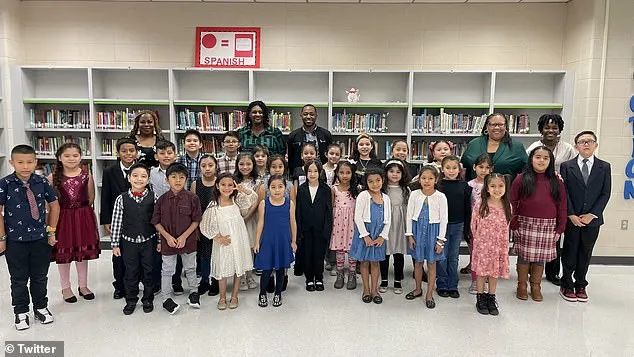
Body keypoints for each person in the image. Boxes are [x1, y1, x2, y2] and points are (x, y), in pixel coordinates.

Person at [0, 145, 60, 330]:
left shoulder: (41, 181)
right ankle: (21, 311)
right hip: (15, 240)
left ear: (35, 162)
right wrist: (2, 238)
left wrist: (51, 231)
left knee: (40, 276)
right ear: (12, 163)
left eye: (29, 162)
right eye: (20, 162)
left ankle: (41, 307)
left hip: (40, 238)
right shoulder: (5, 183)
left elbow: (55, 206)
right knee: (18, 278)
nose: (25, 166)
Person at [559, 131, 611, 303]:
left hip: (593, 220)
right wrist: (571, 214)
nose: (586, 144)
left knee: (585, 252)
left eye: (590, 141)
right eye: (582, 142)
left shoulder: (604, 167)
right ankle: (567, 283)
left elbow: (605, 193)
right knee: (570, 251)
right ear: (576, 147)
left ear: (596, 145)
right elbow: (564, 193)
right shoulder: (567, 166)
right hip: (572, 218)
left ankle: (581, 284)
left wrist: (592, 214)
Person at [511, 146, 567, 302]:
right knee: (523, 256)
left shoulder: (557, 181)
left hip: (548, 225)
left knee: (539, 258)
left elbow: (562, 205)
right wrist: (514, 224)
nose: (541, 160)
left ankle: (536, 286)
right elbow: (512, 202)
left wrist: (560, 227)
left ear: (550, 161)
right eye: (538, 157)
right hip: (524, 223)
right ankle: (521, 285)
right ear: (531, 159)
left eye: (545, 158)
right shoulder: (521, 179)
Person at [525, 114, 576, 286]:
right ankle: (531, 272)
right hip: (537, 193)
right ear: (541, 129)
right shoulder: (534, 147)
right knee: (535, 235)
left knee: (554, 235)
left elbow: (573, 171)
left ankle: (553, 272)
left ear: (560, 129)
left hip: (558, 192)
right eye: (547, 127)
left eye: (554, 127)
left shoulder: (568, 149)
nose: (551, 131)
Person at [49, 143, 100, 304]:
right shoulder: (52, 178)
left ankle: (83, 285)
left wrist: (79, 210)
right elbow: (49, 203)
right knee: (64, 253)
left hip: (83, 217)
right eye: (67, 156)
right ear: (59, 158)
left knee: (81, 253)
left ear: (81, 157)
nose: (71, 159)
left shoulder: (87, 176)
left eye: (75, 156)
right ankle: (66, 287)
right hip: (62, 218)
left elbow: (91, 198)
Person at [199, 173, 258, 310]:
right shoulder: (214, 205)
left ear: (234, 186)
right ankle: (222, 296)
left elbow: (253, 198)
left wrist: (242, 189)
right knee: (223, 270)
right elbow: (204, 226)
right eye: (223, 185)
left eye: (230, 185)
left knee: (239, 268)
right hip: (224, 243)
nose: (227, 188)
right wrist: (217, 237)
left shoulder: (237, 200)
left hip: (238, 239)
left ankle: (235, 296)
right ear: (217, 186)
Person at [152, 163, 203, 314]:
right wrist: (166, 237)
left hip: (188, 241)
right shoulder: (161, 200)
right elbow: (156, 221)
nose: (178, 180)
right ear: (167, 180)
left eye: (181, 177)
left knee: (190, 268)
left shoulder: (193, 198)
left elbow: (196, 220)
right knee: (167, 270)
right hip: (168, 242)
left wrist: (184, 236)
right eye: (173, 177)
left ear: (186, 180)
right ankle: (166, 298)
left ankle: (194, 293)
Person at [110, 163, 159, 315]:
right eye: (135, 176)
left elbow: (157, 222)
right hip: (128, 241)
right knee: (130, 271)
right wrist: (115, 244)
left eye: (143, 176)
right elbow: (116, 222)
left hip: (148, 240)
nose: (139, 179)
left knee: (149, 270)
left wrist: (159, 241)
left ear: (148, 179)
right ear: (129, 178)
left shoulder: (153, 197)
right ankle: (131, 299)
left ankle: (148, 299)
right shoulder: (121, 199)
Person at [405, 166, 448, 309]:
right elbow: (409, 215)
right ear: (419, 179)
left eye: (430, 178)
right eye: (424, 178)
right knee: (418, 263)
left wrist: (440, 240)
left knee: (431, 264)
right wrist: (410, 235)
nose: (427, 181)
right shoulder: (415, 194)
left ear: (436, 180)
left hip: (433, 232)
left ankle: (429, 294)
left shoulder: (441, 197)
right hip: (417, 231)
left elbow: (444, 219)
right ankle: (418, 289)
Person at [100, 137, 137, 299]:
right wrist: (106, 220)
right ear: (118, 153)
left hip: (138, 218)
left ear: (137, 152)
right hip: (117, 219)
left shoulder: (142, 170)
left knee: (137, 254)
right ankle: (119, 285)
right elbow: (105, 196)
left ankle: (135, 283)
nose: (128, 154)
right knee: (118, 253)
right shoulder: (110, 172)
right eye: (124, 151)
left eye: (131, 150)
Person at [471, 173, 512, 316]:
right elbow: (473, 225)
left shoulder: (507, 206)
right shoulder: (480, 205)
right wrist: (479, 241)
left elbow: (507, 226)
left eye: (501, 186)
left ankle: (491, 297)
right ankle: (480, 297)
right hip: (483, 246)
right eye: (493, 186)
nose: (497, 189)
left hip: (498, 247)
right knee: (481, 273)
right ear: (487, 188)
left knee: (494, 273)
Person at [254, 175, 297, 307]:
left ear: (285, 188)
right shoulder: (263, 203)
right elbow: (260, 222)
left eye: (280, 187)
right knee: (266, 269)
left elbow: (293, 222)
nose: (277, 190)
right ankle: (262, 293)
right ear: (268, 189)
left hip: (283, 241)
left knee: (281, 269)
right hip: (268, 241)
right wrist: (257, 242)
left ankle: (278, 293)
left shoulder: (289, 203)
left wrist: (294, 241)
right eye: (273, 187)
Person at [350, 167, 391, 304]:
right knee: (364, 262)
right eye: (371, 181)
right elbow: (357, 217)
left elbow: (388, 219)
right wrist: (365, 236)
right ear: (366, 182)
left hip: (378, 235)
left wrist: (382, 236)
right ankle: (366, 290)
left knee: (375, 262)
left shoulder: (386, 198)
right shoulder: (363, 196)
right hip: (365, 234)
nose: (375, 184)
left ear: (383, 180)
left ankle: (375, 290)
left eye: (378, 180)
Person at [436, 156, 472, 299]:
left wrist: (467, 227)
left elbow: (467, 208)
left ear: (459, 170)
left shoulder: (464, 186)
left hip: (458, 225)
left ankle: (453, 285)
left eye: (454, 168)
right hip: (441, 226)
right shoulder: (438, 186)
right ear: (442, 169)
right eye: (448, 168)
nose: (451, 171)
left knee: (453, 256)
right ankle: (442, 284)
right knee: (442, 256)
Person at [296, 161, 333, 292]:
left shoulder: (326, 189)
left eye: (315, 171)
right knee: (307, 253)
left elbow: (329, 211)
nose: (312, 174)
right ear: (306, 173)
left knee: (319, 254)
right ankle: (309, 278)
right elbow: (298, 210)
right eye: (309, 171)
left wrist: (327, 229)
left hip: (320, 227)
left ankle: (319, 277)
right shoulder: (301, 189)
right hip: (306, 228)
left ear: (320, 172)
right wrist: (299, 229)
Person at [461, 113, 528, 181]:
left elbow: (526, 172)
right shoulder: (474, 144)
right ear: (487, 126)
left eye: (500, 124)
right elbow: (463, 167)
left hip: (505, 190)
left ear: (505, 127)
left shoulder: (517, 147)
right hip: (475, 190)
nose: (497, 127)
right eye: (493, 124)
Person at [379, 159, 410, 295]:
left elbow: (409, 208)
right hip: (385, 224)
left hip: (400, 224)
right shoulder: (382, 189)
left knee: (398, 253)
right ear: (385, 173)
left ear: (403, 174)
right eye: (391, 171)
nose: (395, 174)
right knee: (384, 253)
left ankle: (398, 280)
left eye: (398, 172)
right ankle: (384, 280)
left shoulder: (405, 189)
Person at [464, 153, 493, 294]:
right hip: (474, 226)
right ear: (474, 167)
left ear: (491, 169)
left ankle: (485, 277)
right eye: (481, 167)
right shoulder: (469, 185)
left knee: (488, 253)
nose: (484, 170)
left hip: (490, 227)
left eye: (487, 168)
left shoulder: (493, 185)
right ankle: (475, 280)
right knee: (475, 253)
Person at [191, 154, 219, 296]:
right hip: (202, 225)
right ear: (199, 167)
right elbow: (193, 208)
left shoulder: (220, 183)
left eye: (210, 165)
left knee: (216, 254)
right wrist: (196, 227)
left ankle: (216, 281)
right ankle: (204, 280)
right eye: (203, 166)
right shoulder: (196, 184)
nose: (207, 169)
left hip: (218, 225)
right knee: (204, 254)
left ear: (215, 167)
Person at [330, 161, 360, 290]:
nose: (345, 175)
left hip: (352, 222)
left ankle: (352, 274)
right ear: (337, 173)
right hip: (338, 222)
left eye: (348, 172)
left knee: (351, 248)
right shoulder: (334, 188)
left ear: (352, 174)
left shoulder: (357, 189)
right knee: (340, 248)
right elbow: (331, 206)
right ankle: (340, 273)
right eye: (341, 172)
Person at [234, 153, 261, 291]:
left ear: (253, 165)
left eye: (248, 164)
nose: (245, 167)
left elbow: (256, 202)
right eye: (242, 164)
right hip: (236, 219)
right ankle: (241, 276)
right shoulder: (233, 181)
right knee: (239, 248)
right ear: (237, 165)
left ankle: (250, 275)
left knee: (250, 248)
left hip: (251, 219)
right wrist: (238, 218)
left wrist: (247, 218)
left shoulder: (257, 182)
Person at [287, 104, 333, 173]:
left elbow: (329, 156)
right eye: (305, 114)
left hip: (321, 174)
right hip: (300, 174)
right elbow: (290, 159)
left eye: (312, 114)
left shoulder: (326, 135)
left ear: (316, 116)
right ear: (301, 116)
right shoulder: (293, 136)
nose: (308, 117)